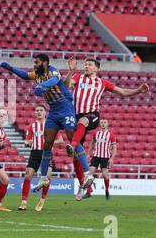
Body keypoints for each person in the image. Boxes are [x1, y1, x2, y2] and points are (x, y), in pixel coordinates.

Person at [0, 54, 94, 199]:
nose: (34, 64)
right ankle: (43, 178)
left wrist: (42, 85)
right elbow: (25, 75)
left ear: (44, 62)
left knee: (72, 138)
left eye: (36, 62)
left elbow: (55, 79)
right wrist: (9, 67)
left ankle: (87, 175)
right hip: (54, 112)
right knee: (46, 143)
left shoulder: (52, 70)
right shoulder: (37, 74)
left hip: (66, 108)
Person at [64, 57, 149, 199]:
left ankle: (72, 145)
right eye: (85, 64)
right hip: (76, 116)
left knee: (83, 121)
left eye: (89, 65)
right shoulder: (78, 77)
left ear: (97, 68)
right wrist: (70, 71)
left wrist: (138, 90)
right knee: (76, 159)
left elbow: (122, 92)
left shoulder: (102, 83)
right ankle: (83, 188)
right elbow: (66, 86)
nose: (86, 66)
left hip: (92, 115)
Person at [19, 104, 65, 211]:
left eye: (41, 110)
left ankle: (42, 201)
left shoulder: (51, 126)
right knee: (28, 175)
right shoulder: (31, 126)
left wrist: (49, 142)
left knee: (47, 178)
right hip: (35, 153)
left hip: (46, 153)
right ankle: (24, 202)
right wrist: (28, 142)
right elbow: (28, 140)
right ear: (35, 113)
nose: (39, 112)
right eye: (37, 110)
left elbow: (61, 140)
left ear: (45, 113)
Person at [83, 119, 117, 200]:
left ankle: (107, 189)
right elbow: (92, 143)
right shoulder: (96, 133)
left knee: (105, 175)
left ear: (107, 124)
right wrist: (89, 153)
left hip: (105, 157)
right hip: (96, 156)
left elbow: (115, 148)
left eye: (105, 122)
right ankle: (88, 192)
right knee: (89, 173)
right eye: (101, 122)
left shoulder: (111, 135)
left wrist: (112, 158)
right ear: (99, 124)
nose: (103, 124)